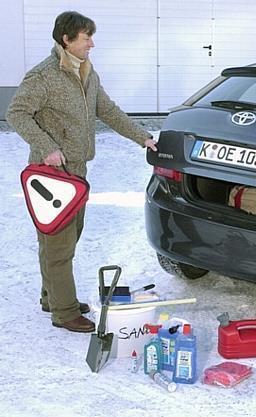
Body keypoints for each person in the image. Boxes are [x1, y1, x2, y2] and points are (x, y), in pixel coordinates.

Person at [6, 11, 158, 333]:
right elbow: (16, 113)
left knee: (64, 238)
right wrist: (46, 146)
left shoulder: (87, 72)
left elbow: (109, 111)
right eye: (86, 37)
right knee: (59, 243)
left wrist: (141, 136)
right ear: (67, 39)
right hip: (51, 174)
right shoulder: (45, 76)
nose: (92, 43)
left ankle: (52, 296)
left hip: (78, 170)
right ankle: (64, 311)